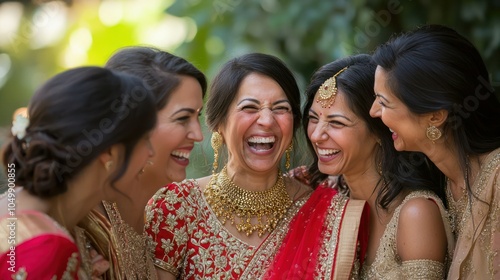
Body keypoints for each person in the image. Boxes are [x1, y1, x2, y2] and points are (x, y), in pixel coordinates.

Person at [145, 53, 372, 279]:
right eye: (250, 108)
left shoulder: (326, 212)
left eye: (280, 108)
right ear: (219, 123)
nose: (266, 120)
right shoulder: (177, 208)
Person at [304, 54, 455, 279]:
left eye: (336, 123)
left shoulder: (416, 213)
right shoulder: (324, 195)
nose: (316, 135)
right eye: (313, 118)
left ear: (378, 130)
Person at [0, 66, 157, 279]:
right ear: (110, 151)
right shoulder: (45, 247)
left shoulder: (19, 211)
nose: (151, 152)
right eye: (145, 139)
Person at [369, 24, 500, 279]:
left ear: (435, 116)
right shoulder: (443, 181)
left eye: (383, 102)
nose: (373, 112)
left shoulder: (497, 177)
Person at [75, 47, 207, 279]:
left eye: (198, 116)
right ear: (133, 123)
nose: (198, 134)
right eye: (183, 118)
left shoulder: (159, 219)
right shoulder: (81, 221)